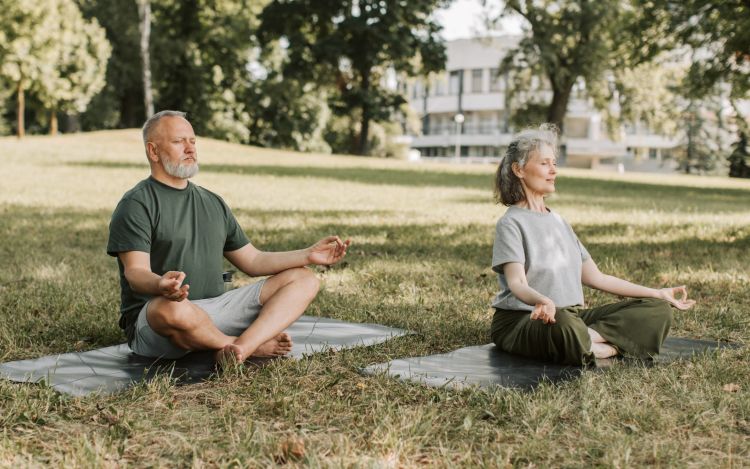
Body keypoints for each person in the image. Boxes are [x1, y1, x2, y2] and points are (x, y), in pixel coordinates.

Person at [107, 110, 350, 364]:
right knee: (169, 308)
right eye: (179, 142)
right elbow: (135, 273)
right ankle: (249, 346)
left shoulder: (212, 202)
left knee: (304, 279)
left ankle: (238, 349)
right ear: (153, 151)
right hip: (160, 319)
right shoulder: (136, 203)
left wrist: (307, 255)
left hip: (215, 310)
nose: (190, 148)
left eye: (193, 141)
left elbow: (253, 261)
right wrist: (160, 285)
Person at [490, 124, 695, 365]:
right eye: (544, 163)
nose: (553, 170)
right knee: (564, 327)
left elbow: (598, 278)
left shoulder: (559, 222)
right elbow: (517, 283)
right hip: (523, 321)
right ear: (519, 169)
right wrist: (542, 301)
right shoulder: (511, 223)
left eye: (554, 163)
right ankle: (608, 346)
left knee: (657, 310)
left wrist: (657, 293)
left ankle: (588, 342)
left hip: (569, 317)